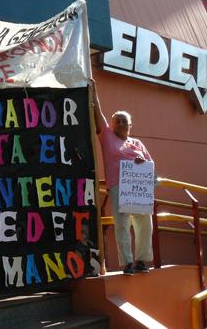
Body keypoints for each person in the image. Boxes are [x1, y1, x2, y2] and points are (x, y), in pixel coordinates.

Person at [91, 78, 153, 275]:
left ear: (130, 125)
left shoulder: (137, 143)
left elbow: (152, 165)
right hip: (118, 185)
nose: (120, 123)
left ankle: (142, 261)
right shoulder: (107, 136)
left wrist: (143, 163)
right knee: (122, 224)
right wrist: (93, 91)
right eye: (117, 120)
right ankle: (126, 263)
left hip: (138, 187)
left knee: (144, 223)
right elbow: (98, 114)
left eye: (124, 120)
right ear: (112, 124)